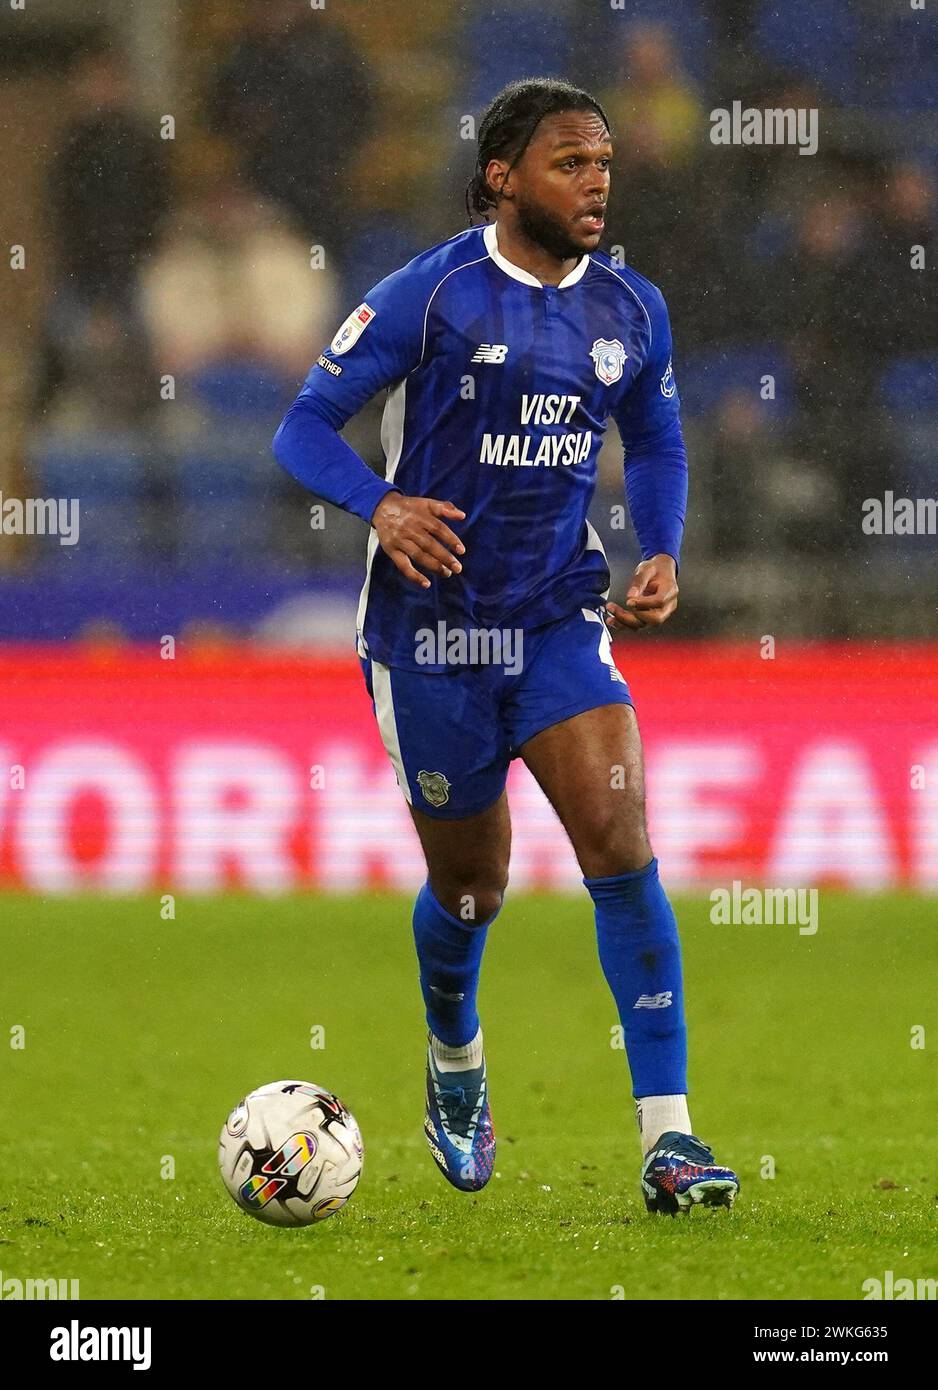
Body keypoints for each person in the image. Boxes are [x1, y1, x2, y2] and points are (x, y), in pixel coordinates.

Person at [274, 78, 739, 1215]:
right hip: (426, 635)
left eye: (603, 165)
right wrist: (381, 506)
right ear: (501, 175)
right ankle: (454, 1060)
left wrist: (660, 547)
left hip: (553, 618)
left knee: (619, 844)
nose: (595, 184)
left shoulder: (629, 308)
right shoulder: (428, 296)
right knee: (472, 887)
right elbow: (299, 429)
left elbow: (658, 436)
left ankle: (668, 1140)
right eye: (569, 164)